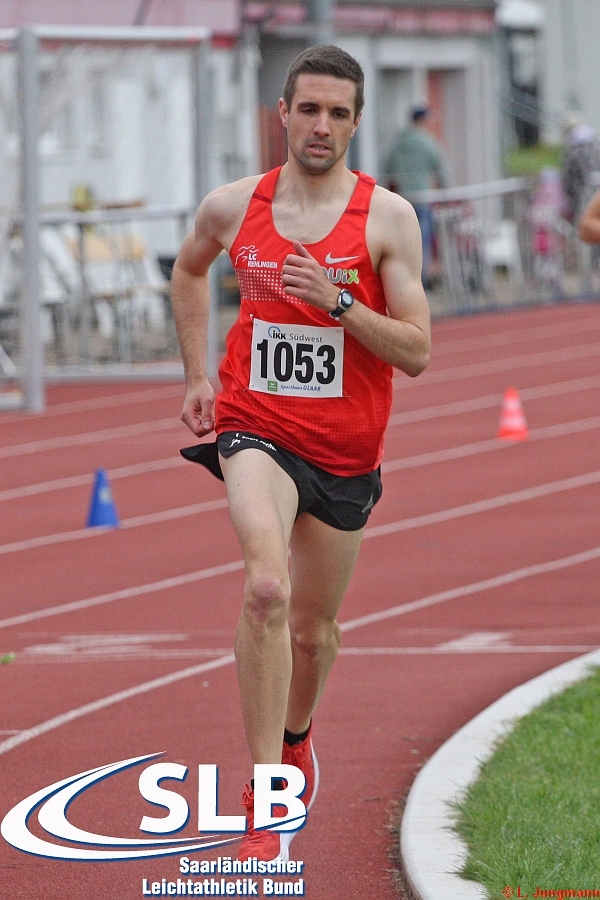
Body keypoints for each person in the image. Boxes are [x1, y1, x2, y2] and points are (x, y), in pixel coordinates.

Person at [171, 44, 431, 864]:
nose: (321, 125)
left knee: (313, 633)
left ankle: (296, 738)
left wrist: (340, 301)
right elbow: (188, 271)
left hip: (346, 449)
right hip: (255, 425)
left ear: (357, 123)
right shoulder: (232, 206)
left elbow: (417, 351)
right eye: (308, 109)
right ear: (282, 114)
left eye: (338, 113)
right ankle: (263, 800)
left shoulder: (387, 218)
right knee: (265, 589)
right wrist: (197, 375)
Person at [385, 105, 447, 288]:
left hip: (401, 200)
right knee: (423, 241)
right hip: (423, 199)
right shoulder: (428, 142)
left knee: (401, 243)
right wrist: (444, 194)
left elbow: (386, 169)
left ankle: (402, 280)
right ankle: (421, 280)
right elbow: (442, 171)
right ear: (423, 121)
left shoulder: (397, 143)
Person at [561, 111, 600, 221]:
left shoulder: (573, 149)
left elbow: (568, 177)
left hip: (583, 192)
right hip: (596, 190)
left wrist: (569, 195)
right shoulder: (596, 143)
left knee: (586, 220)